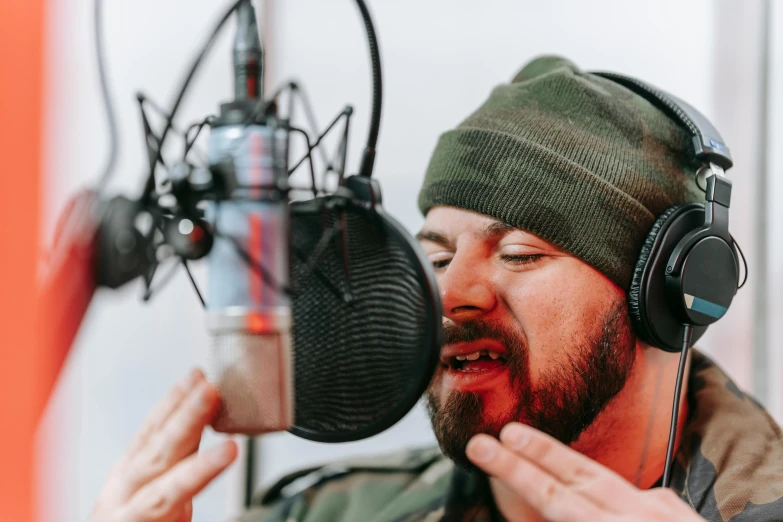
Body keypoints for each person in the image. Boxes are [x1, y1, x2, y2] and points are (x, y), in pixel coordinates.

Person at [88, 56, 783, 522]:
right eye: (437, 255)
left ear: (670, 293)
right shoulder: (336, 513)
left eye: (518, 253)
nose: (453, 294)